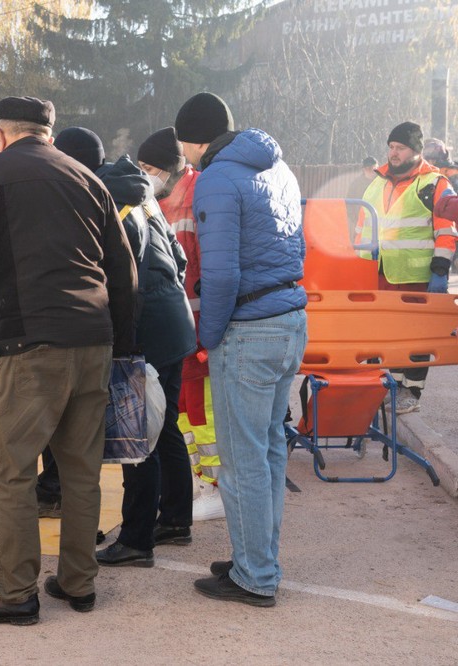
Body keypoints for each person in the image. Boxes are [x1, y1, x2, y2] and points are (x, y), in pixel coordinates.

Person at [0, 97, 137, 624]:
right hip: (93, 340)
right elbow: (123, 272)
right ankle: (78, 582)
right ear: (48, 132)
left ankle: (12, 593)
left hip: (29, 343)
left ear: (1, 135)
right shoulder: (88, 178)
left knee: (8, 472)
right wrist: (118, 343)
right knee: (81, 472)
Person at [174, 92, 307, 607]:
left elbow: (222, 273)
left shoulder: (216, 178)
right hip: (289, 318)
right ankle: (258, 558)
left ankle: (255, 575)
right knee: (268, 451)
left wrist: (208, 337)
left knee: (243, 460)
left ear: (194, 139)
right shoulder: (278, 168)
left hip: (249, 329)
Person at [53, 128, 196, 567]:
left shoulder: (110, 199)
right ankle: (175, 520)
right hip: (174, 322)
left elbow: (118, 278)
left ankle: (136, 540)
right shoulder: (137, 190)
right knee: (164, 426)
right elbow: (179, 259)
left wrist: (120, 338)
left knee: (137, 436)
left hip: (146, 327)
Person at [137, 126, 224, 522]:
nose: (144, 174)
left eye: (148, 167)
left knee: (202, 413)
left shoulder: (198, 193)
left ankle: (218, 487)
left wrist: (210, 329)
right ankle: (198, 480)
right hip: (178, 327)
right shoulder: (160, 198)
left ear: (168, 168)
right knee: (183, 413)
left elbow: (211, 265)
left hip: (199, 326)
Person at [355, 122, 456, 413]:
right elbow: (362, 228)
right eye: (391, 147)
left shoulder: (434, 183)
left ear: (415, 151)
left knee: (416, 336)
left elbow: (447, 230)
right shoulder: (377, 182)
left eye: (400, 148)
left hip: (415, 275)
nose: (393, 153)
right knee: (387, 334)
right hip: (379, 273)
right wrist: (357, 264)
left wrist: (440, 269)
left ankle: (411, 391)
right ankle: (392, 386)